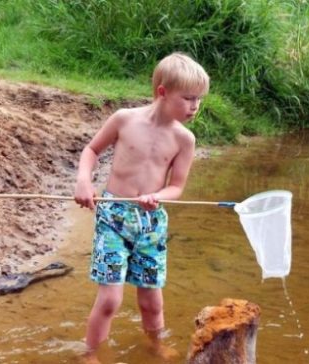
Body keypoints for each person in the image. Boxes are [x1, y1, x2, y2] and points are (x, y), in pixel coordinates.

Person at [74, 52, 209, 363]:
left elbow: (176, 187)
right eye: (188, 98)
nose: (195, 106)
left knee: (151, 301)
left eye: (199, 99)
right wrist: (84, 181)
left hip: (150, 223)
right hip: (113, 217)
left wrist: (159, 195)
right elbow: (91, 150)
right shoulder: (124, 119)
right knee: (110, 299)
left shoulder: (184, 139)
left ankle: (155, 345)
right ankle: (91, 354)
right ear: (162, 92)